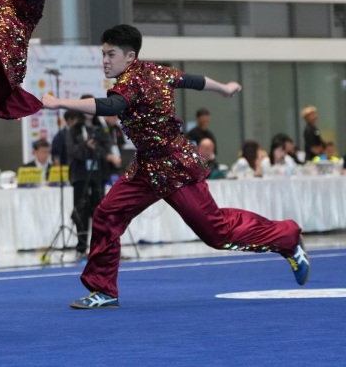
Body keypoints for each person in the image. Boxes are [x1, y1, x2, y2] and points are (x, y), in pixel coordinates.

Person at [42, 24, 309, 309]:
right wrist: (223, 88)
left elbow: (110, 106)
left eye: (111, 54)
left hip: (175, 167)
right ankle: (104, 290)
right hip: (146, 167)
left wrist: (58, 103)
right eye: (103, 54)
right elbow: (193, 80)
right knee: (107, 214)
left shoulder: (132, 82)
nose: (105, 61)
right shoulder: (157, 71)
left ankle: (287, 237)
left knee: (216, 233)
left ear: (130, 56)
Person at [65, 100, 112, 256]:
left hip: (98, 174)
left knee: (99, 210)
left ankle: (100, 246)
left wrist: (95, 148)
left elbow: (106, 149)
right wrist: (86, 146)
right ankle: (81, 246)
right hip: (80, 175)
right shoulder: (73, 130)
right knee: (81, 210)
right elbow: (73, 151)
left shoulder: (101, 128)